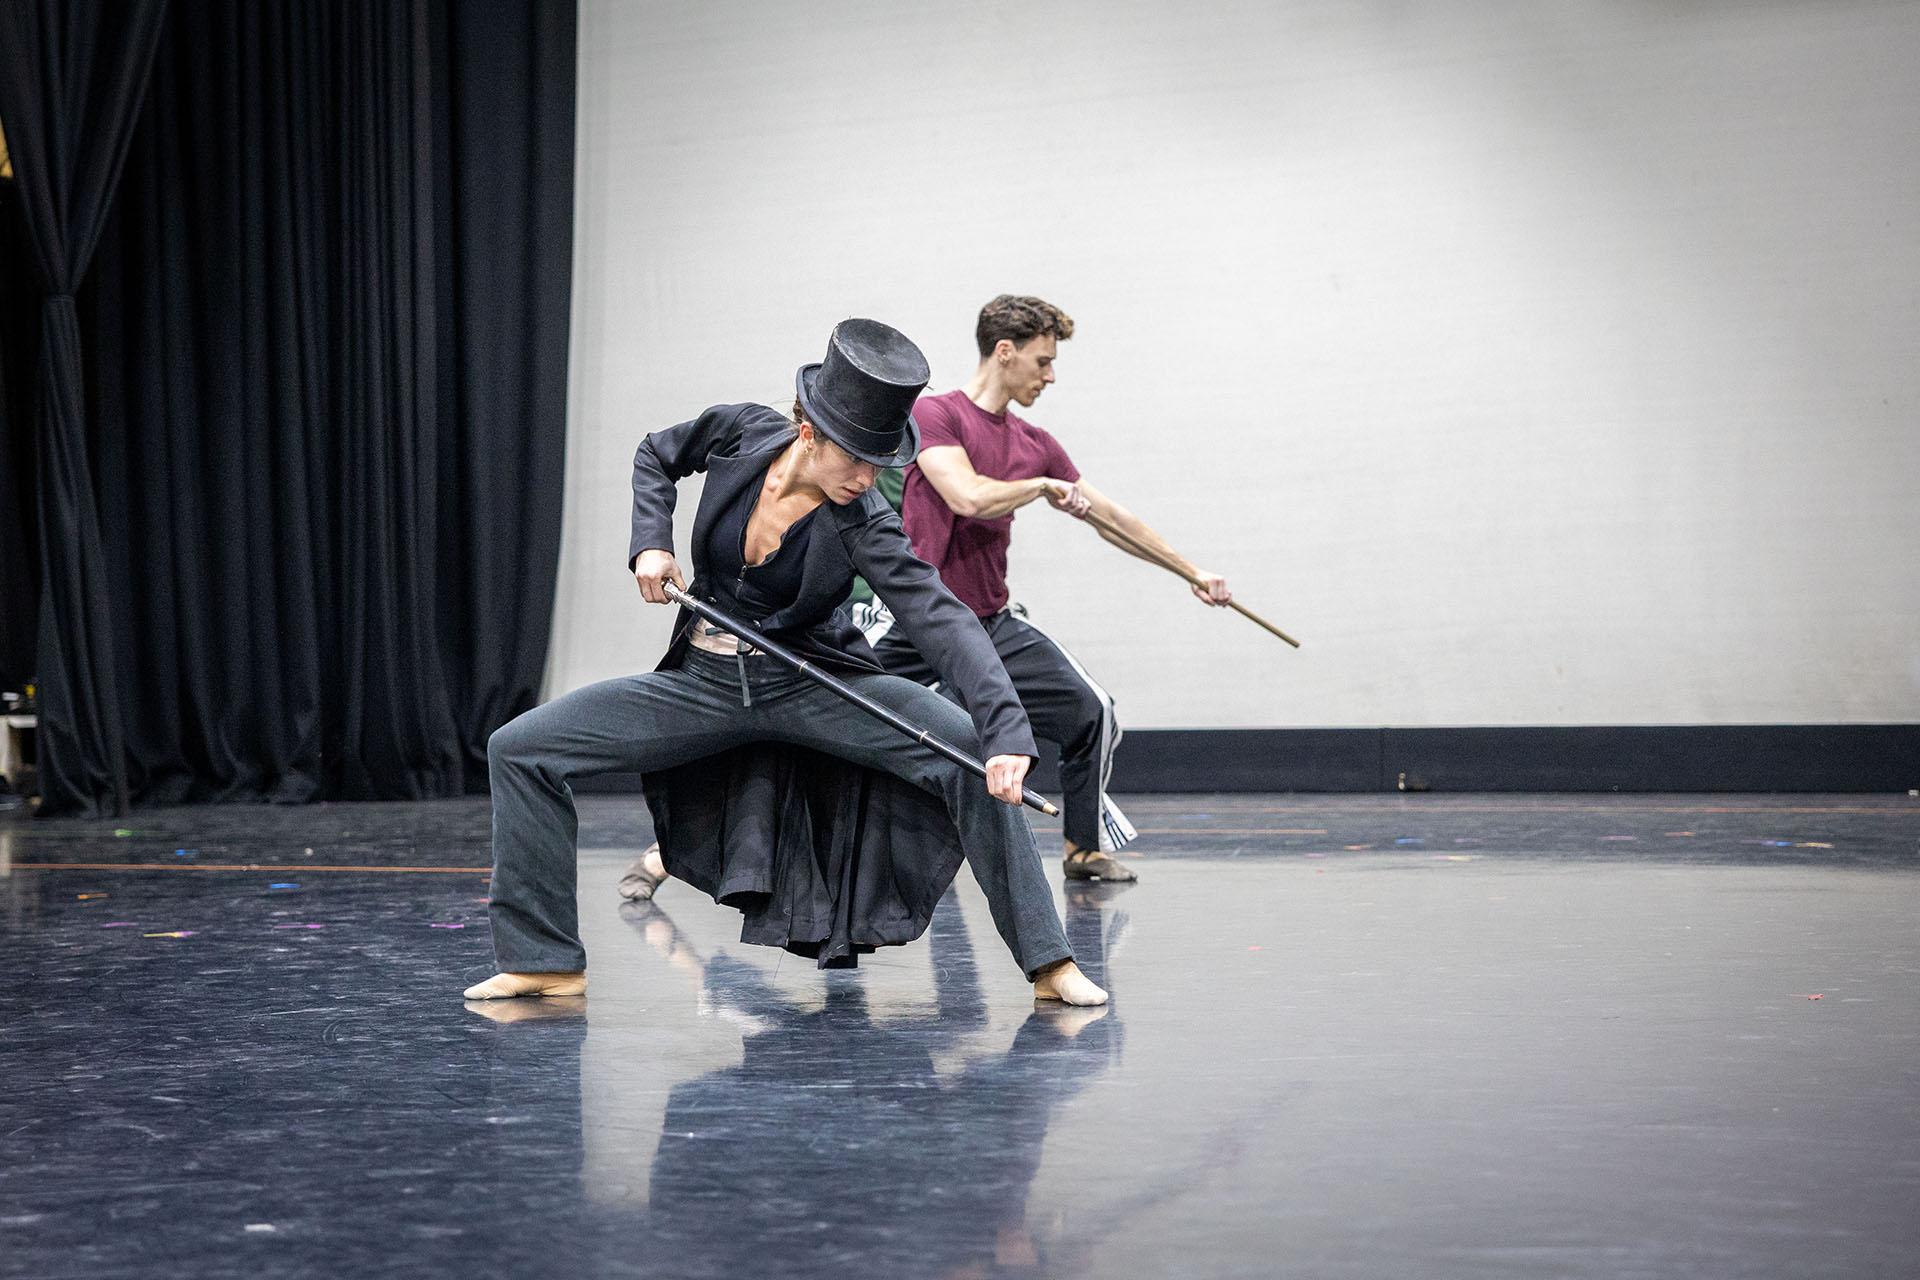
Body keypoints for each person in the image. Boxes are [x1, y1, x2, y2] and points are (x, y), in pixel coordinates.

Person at [467, 319, 1105, 1006]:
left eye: (880, 464)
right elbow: (656, 454)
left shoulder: (862, 521)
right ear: (808, 434)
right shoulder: (742, 435)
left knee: (972, 759)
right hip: (703, 683)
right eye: (855, 460)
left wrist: (1007, 731)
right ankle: (546, 960)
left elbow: (941, 616)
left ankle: (1050, 965)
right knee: (521, 749)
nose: (866, 480)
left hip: (812, 683)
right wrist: (649, 543)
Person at [864, 295, 1232, 883]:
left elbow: (1111, 517)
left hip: (989, 621)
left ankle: (1083, 848)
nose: (1051, 375)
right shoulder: (937, 416)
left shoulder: (1034, 443)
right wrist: (1037, 488)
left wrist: (1192, 572)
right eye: (1042, 361)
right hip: (917, 623)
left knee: (1092, 711)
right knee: (829, 727)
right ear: (1004, 352)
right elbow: (967, 496)